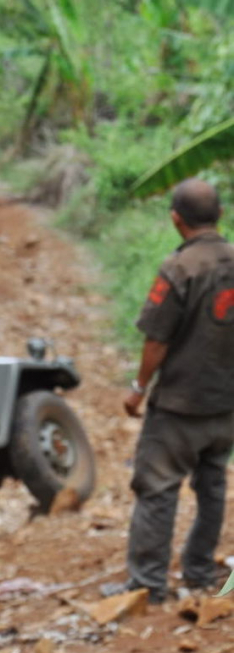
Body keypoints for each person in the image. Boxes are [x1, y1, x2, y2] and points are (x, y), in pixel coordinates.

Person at [107, 178, 234, 604]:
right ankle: (198, 572)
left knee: (157, 488)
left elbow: (156, 339)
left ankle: (148, 586)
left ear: (176, 219)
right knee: (212, 484)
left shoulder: (179, 268)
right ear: (220, 215)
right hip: (226, 405)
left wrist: (138, 388)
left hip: (180, 405)